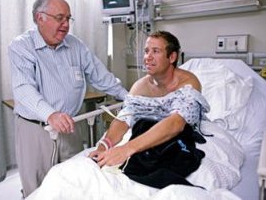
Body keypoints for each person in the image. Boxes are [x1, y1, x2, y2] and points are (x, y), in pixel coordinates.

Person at [8, 0, 128, 197]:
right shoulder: (21, 46)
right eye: (59, 18)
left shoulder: (75, 45)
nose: (65, 24)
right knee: (38, 188)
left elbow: (101, 76)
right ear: (40, 18)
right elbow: (23, 89)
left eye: (68, 18)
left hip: (71, 125)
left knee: (74, 182)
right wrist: (50, 114)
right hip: (37, 129)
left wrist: (129, 97)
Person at [89, 30, 210, 188]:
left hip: (178, 136)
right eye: (146, 51)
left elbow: (176, 124)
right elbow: (124, 120)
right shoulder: (140, 87)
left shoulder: (188, 83)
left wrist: (126, 149)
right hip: (145, 132)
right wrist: (104, 146)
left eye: (156, 51)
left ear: (172, 57)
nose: (148, 57)